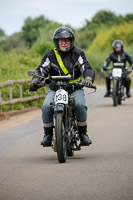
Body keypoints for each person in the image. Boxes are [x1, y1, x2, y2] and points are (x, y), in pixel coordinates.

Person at [29, 26, 95, 147]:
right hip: (55, 88)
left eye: (67, 40)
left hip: (74, 88)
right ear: (56, 42)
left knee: (80, 105)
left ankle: (83, 134)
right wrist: (35, 81)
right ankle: (48, 135)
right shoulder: (50, 56)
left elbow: (86, 68)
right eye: (61, 40)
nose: (64, 43)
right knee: (46, 106)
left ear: (71, 41)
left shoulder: (78, 54)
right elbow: (41, 70)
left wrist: (88, 79)